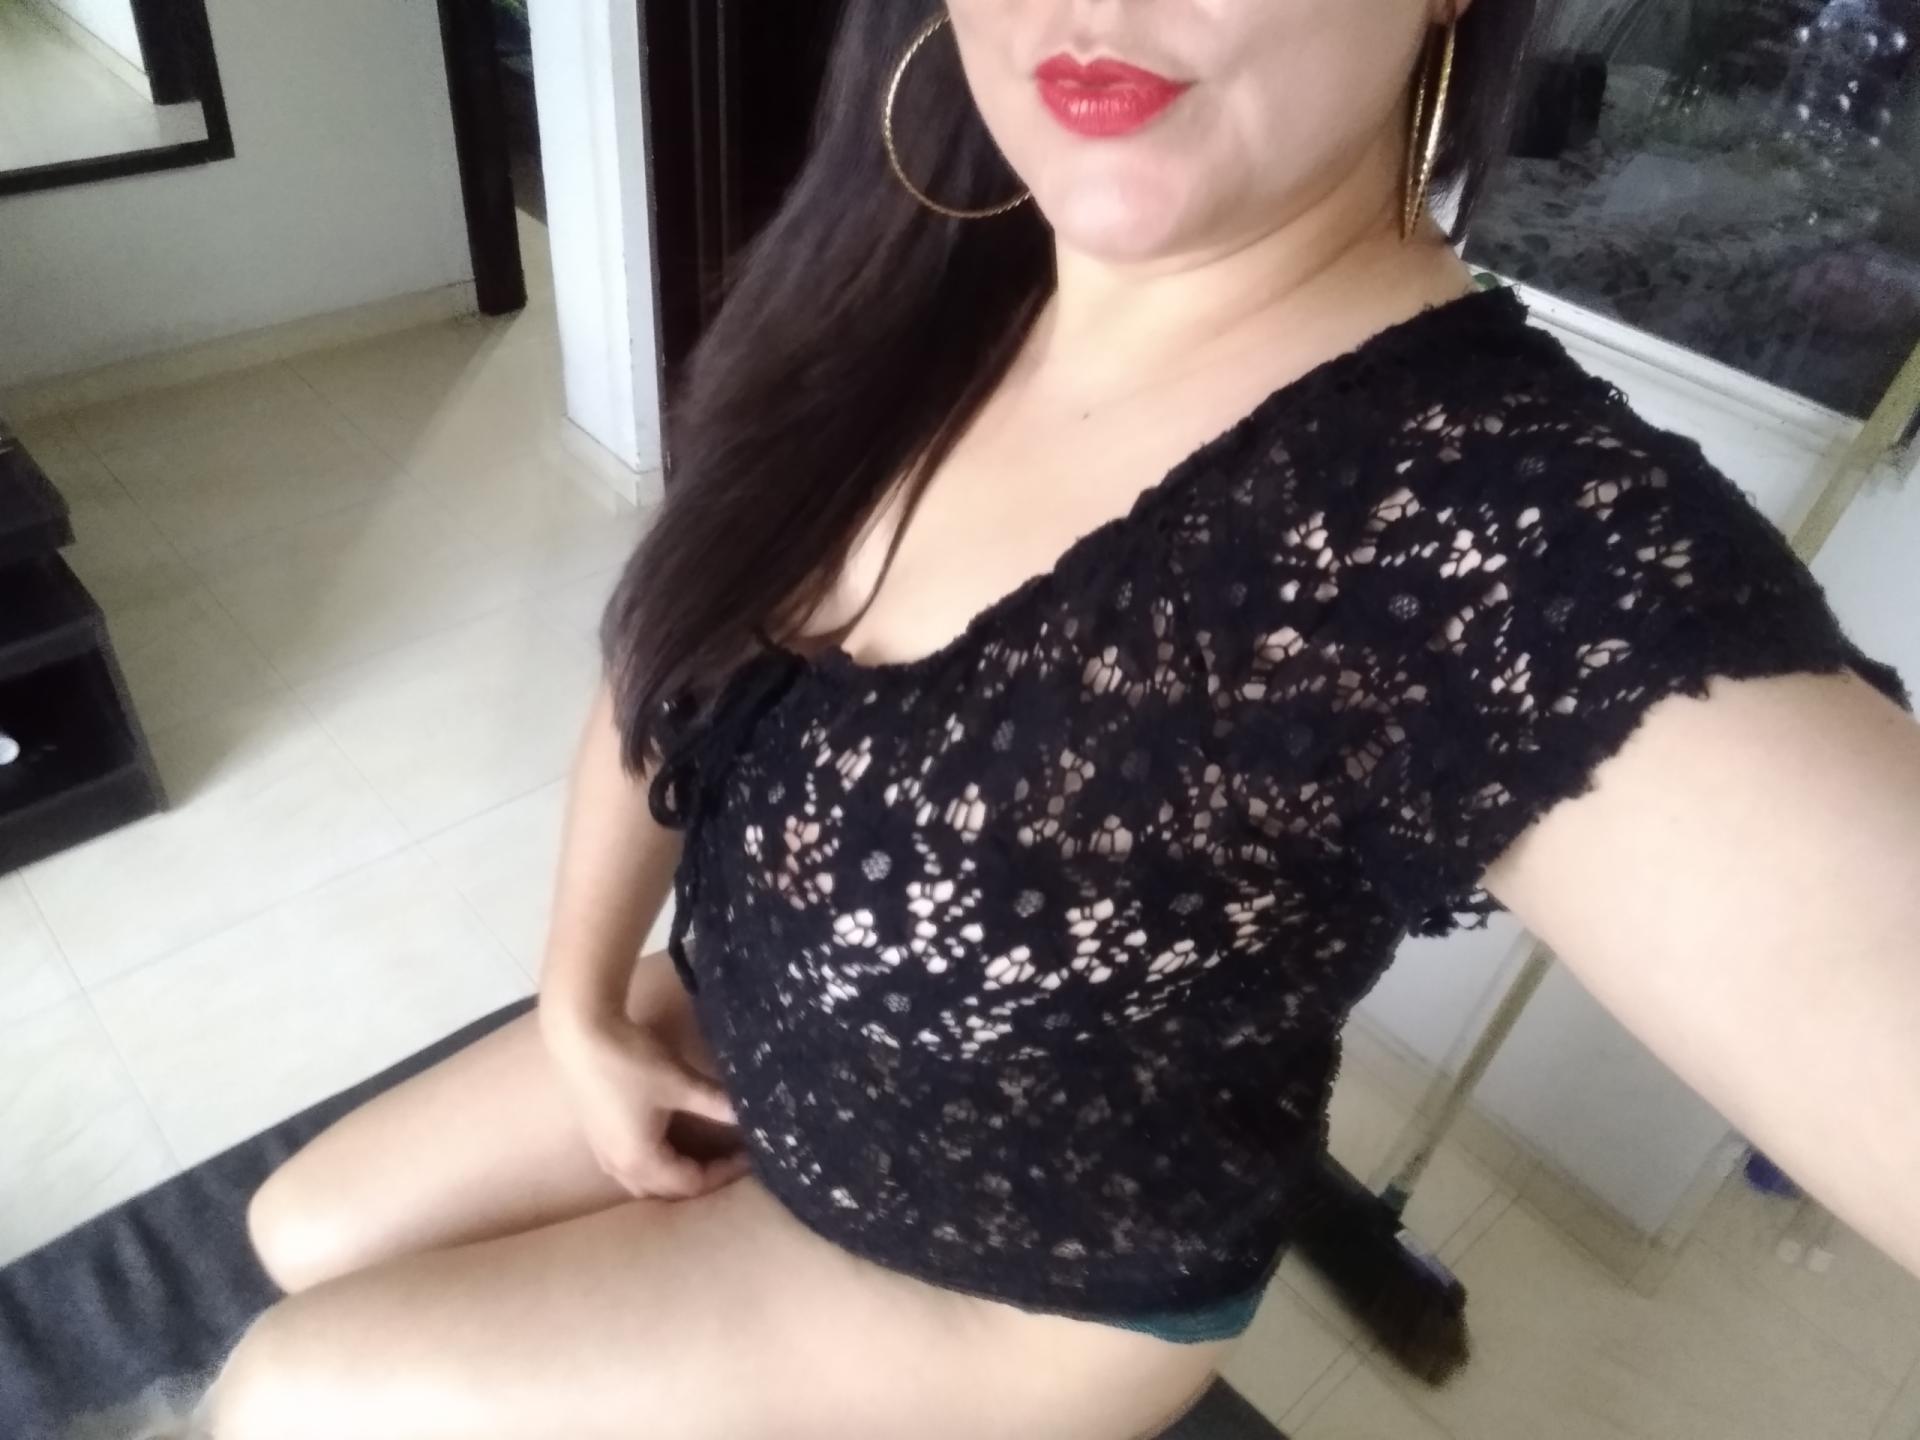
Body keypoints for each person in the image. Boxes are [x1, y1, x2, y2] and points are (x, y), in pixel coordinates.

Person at [196, 2, 1920, 1437]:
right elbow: (668, 664)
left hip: (1000, 1277)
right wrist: (579, 1001)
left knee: (290, 1394)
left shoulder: (1499, 532)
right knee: (300, 1231)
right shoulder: (910, 293)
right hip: (751, 1032)